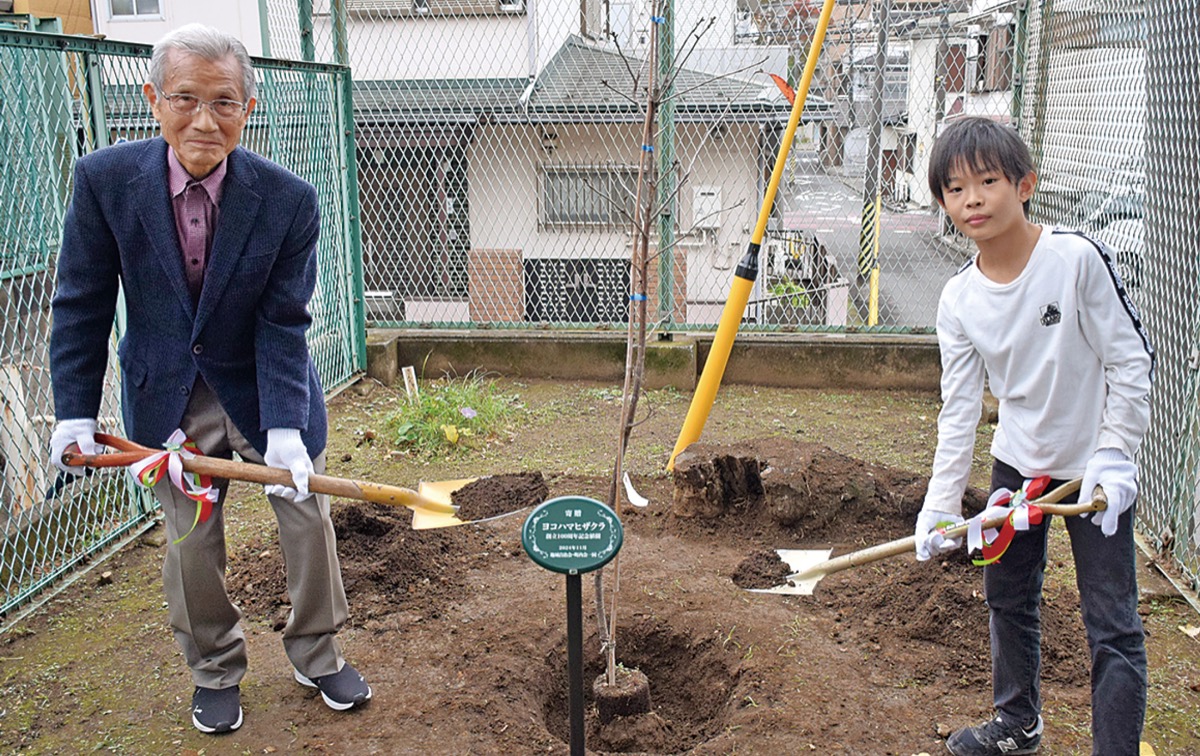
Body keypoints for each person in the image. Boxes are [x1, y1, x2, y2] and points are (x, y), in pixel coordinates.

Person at [47, 24, 370, 734]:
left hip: (265, 388)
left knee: (307, 517)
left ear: (247, 109)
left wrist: (286, 429)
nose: (203, 119)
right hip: (167, 394)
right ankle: (215, 669)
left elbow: (283, 320)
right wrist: (72, 410)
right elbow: (82, 300)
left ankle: (317, 652)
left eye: (223, 102)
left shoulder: (288, 201)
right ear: (153, 99)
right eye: (185, 98)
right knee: (191, 540)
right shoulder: (105, 182)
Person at [913, 117, 1153, 756]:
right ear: (941, 203)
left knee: (1112, 624)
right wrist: (941, 503)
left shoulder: (1074, 261)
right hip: (1016, 469)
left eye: (988, 181)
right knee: (1009, 599)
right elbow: (959, 409)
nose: (973, 200)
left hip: (1092, 475)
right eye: (955, 189)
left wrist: (1115, 452)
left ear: (1025, 185)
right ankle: (1017, 724)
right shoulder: (958, 299)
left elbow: (1129, 361)